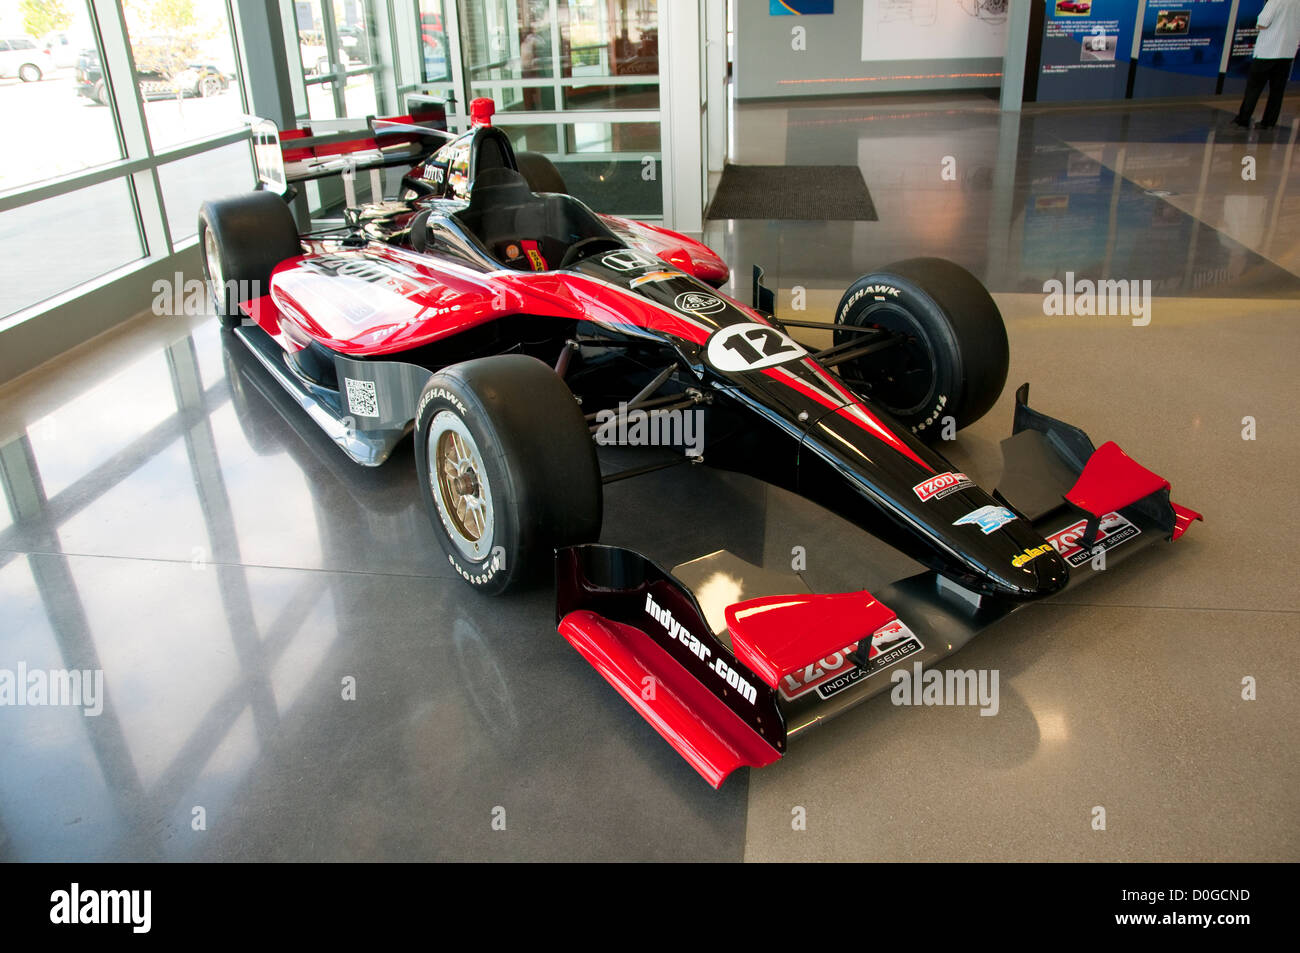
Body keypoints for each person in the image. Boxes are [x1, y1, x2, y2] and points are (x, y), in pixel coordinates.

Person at [1233, 0, 1300, 129]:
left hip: (1267, 52)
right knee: (1277, 90)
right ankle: (1269, 122)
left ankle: (1243, 119)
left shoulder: (1275, 1)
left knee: (1254, 88)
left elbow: (1262, 23)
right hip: (1287, 52)